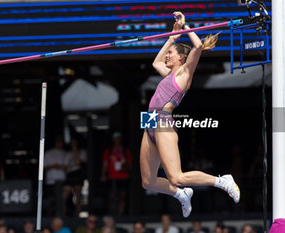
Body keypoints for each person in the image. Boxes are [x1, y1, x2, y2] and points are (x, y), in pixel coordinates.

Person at [139, 11, 240, 218]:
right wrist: (171, 39)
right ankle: (181, 194)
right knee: (148, 181)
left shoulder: (184, 74)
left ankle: (222, 181)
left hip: (162, 122)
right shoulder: (169, 73)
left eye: (171, 53)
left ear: (181, 57)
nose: (167, 56)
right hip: (149, 121)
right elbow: (155, 63)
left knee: (176, 176)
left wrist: (186, 27)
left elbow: (199, 46)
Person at [101, 131, 132, 215]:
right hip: (111, 177)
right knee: (111, 197)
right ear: (113, 139)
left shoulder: (125, 151)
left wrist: (124, 169)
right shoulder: (109, 151)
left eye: (118, 138)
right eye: (115, 138)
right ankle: (112, 214)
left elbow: (130, 165)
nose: (117, 140)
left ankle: (120, 214)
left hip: (123, 177)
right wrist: (103, 175)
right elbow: (105, 164)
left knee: (122, 196)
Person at [62, 138, 87, 216]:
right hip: (69, 175)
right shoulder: (67, 154)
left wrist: (75, 151)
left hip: (78, 175)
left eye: (75, 143)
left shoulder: (82, 152)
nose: (73, 145)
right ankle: (63, 214)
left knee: (78, 196)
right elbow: (65, 167)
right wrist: (74, 165)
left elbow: (79, 162)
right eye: (72, 143)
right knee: (64, 196)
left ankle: (78, 214)